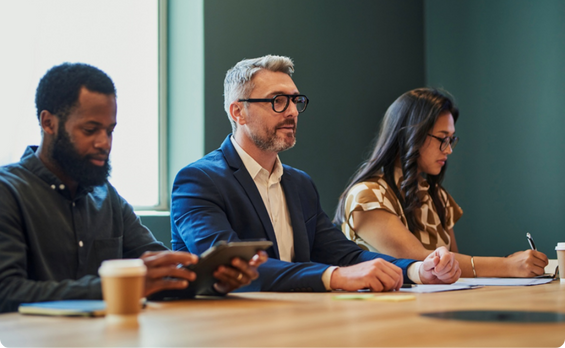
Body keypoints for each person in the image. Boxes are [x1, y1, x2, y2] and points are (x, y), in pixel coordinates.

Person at [171, 55, 460, 293]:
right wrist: (334, 277)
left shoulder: (299, 184)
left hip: (299, 320)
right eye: (277, 101)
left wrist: (417, 269)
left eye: (296, 101)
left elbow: (346, 255)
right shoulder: (198, 181)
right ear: (238, 113)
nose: (292, 112)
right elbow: (233, 266)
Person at [0, 63, 266, 313]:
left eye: (110, 130)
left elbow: (161, 273)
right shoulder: (8, 192)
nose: (104, 143)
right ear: (48, 123)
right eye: (91, 130)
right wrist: (121, 286)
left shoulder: (106, 197)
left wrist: (215, 281)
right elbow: (6, 291)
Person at [335, 88, 548, 278]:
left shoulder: (435, 195)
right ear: (411, 135)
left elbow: (453, 263)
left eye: (452, 139)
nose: (448, 149)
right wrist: (507, 266)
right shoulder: (367, 196)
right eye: (442, 138)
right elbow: (422, 262)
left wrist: (509, 264)